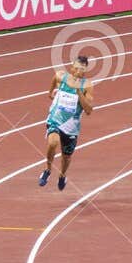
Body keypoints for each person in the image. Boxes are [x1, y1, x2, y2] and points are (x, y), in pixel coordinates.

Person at [39, 56, 95, 191]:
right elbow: (51, 88)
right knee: (53, 143)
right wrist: (51, 93)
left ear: (85, 71)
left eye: (81, 69)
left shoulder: (87, 86)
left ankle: (62, 176)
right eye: (76, 68)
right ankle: (47, 169)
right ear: (71, 67)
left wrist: (78, 92)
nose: (77, 71)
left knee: (66, 157)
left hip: (71, 127)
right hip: (55, 120)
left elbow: (88, 110)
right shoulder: (60, 76)